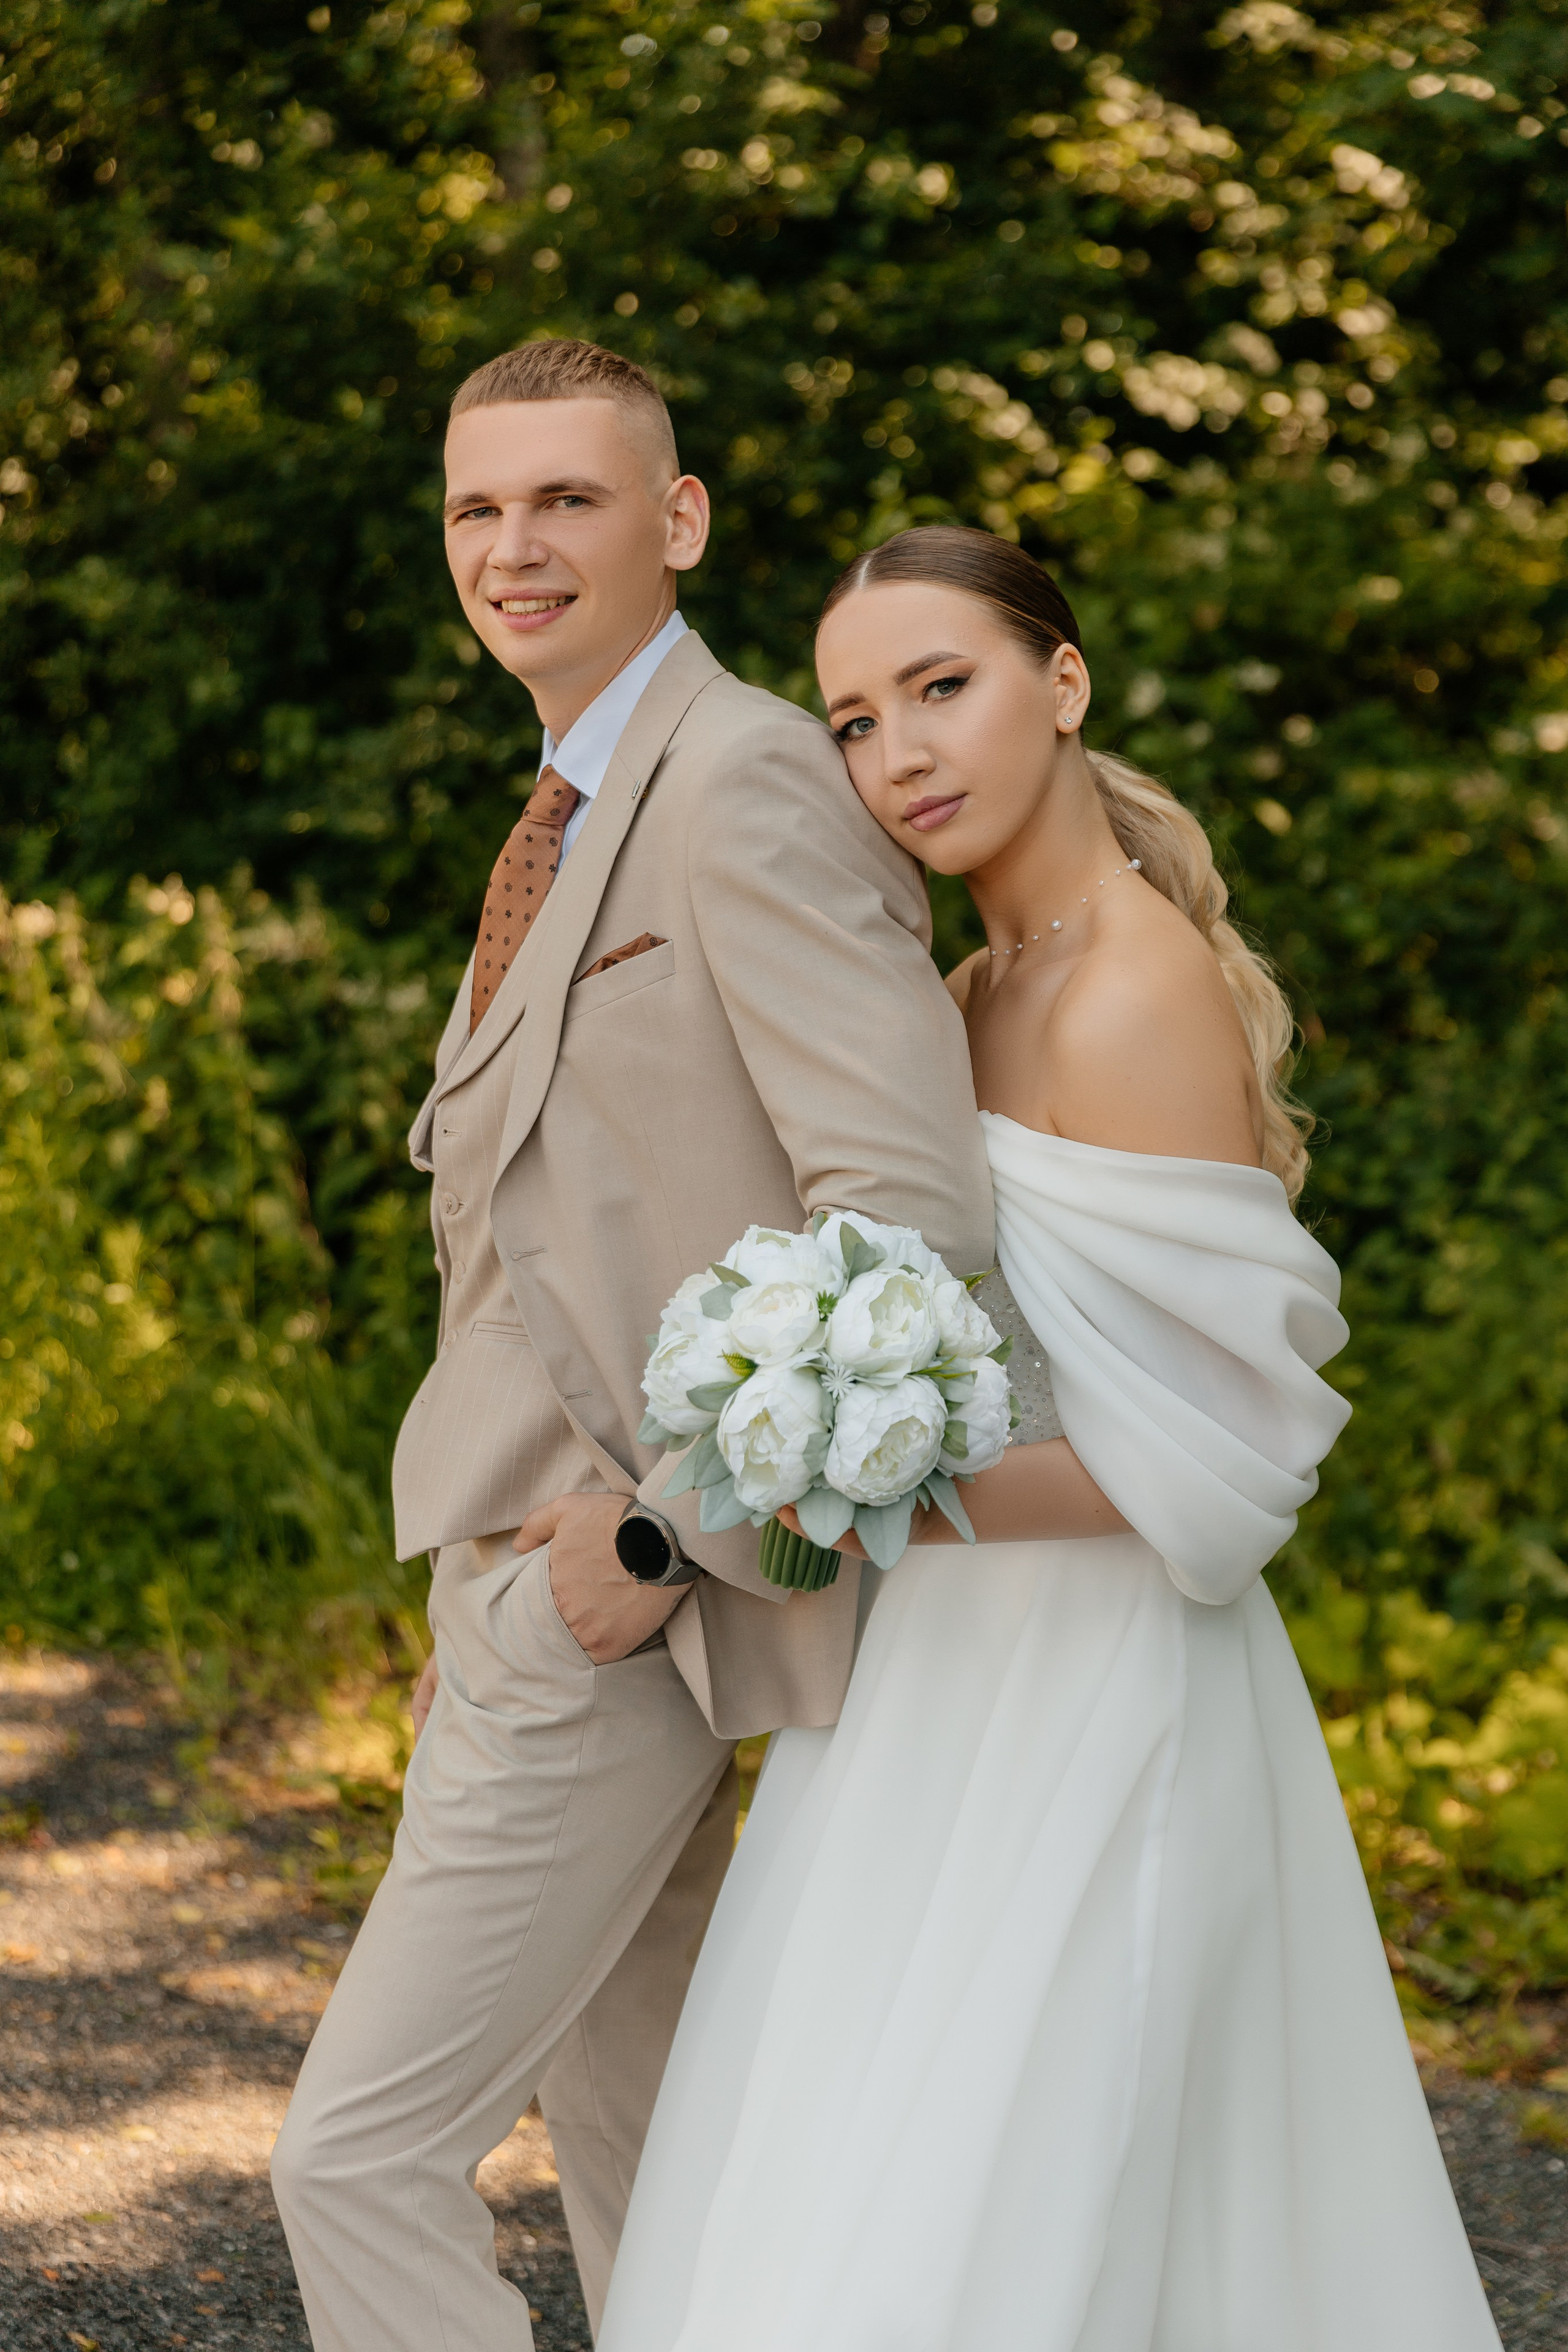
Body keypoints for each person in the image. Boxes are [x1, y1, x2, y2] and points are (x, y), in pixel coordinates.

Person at [596, 526, 1504, 2352]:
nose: (899, 754)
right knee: (867, 2163)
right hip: (935, 1683)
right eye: (855, 721)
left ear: (1063, 682)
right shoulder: (959, 993)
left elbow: (1224, 1462)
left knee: (1011, 2196)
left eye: (944, 687)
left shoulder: (1131, 987)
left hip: (1100, 1690)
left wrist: (852, 1490)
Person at [268, 353, 993, 2352]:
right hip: (518, 1582)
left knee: (354, 2160)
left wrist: (666, 1540)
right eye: (477, 510)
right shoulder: (573, 797)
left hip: (623, 1603)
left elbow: (912, 1217)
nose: (515, 549)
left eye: (568, 502)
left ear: (674, 522)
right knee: (651, 2166)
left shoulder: (745, 770)